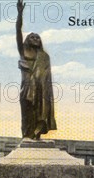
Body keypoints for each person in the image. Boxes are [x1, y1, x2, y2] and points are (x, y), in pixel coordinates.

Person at [16, 0, 56, 140]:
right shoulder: (24, 52)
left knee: (40, 112)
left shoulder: (44, 57)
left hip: (41, 90)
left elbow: (46, 78)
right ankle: (27, 136)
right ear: (27, 40)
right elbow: (18, 31)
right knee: (27, 114)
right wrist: (20, 14)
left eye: (37, 37)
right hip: (27, 88)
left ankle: (36, 136)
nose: (35, 39)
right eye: (32, 37)